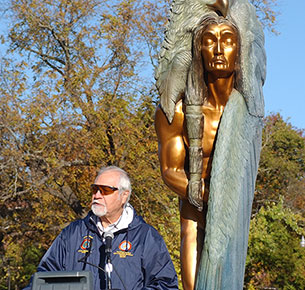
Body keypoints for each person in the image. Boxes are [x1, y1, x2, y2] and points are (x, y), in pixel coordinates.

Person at [155, 0, 266, 289]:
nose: (219, 50)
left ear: (239, 50)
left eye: (228, 41)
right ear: (198, 51)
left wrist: (226, 204)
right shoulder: (177, 109)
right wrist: (208, 196)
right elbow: (169, 170)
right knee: (192, 250)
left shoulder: (247, 113)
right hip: (195, 207)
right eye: (209, 42)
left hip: (231, 215)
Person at [23, 166, 179, 290]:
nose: (97, 195)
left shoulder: (145, 236)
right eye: (94, 189)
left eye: (105, 190)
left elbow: (166, 284)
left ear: (124, 196)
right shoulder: (73, 233)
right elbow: (43, 278)